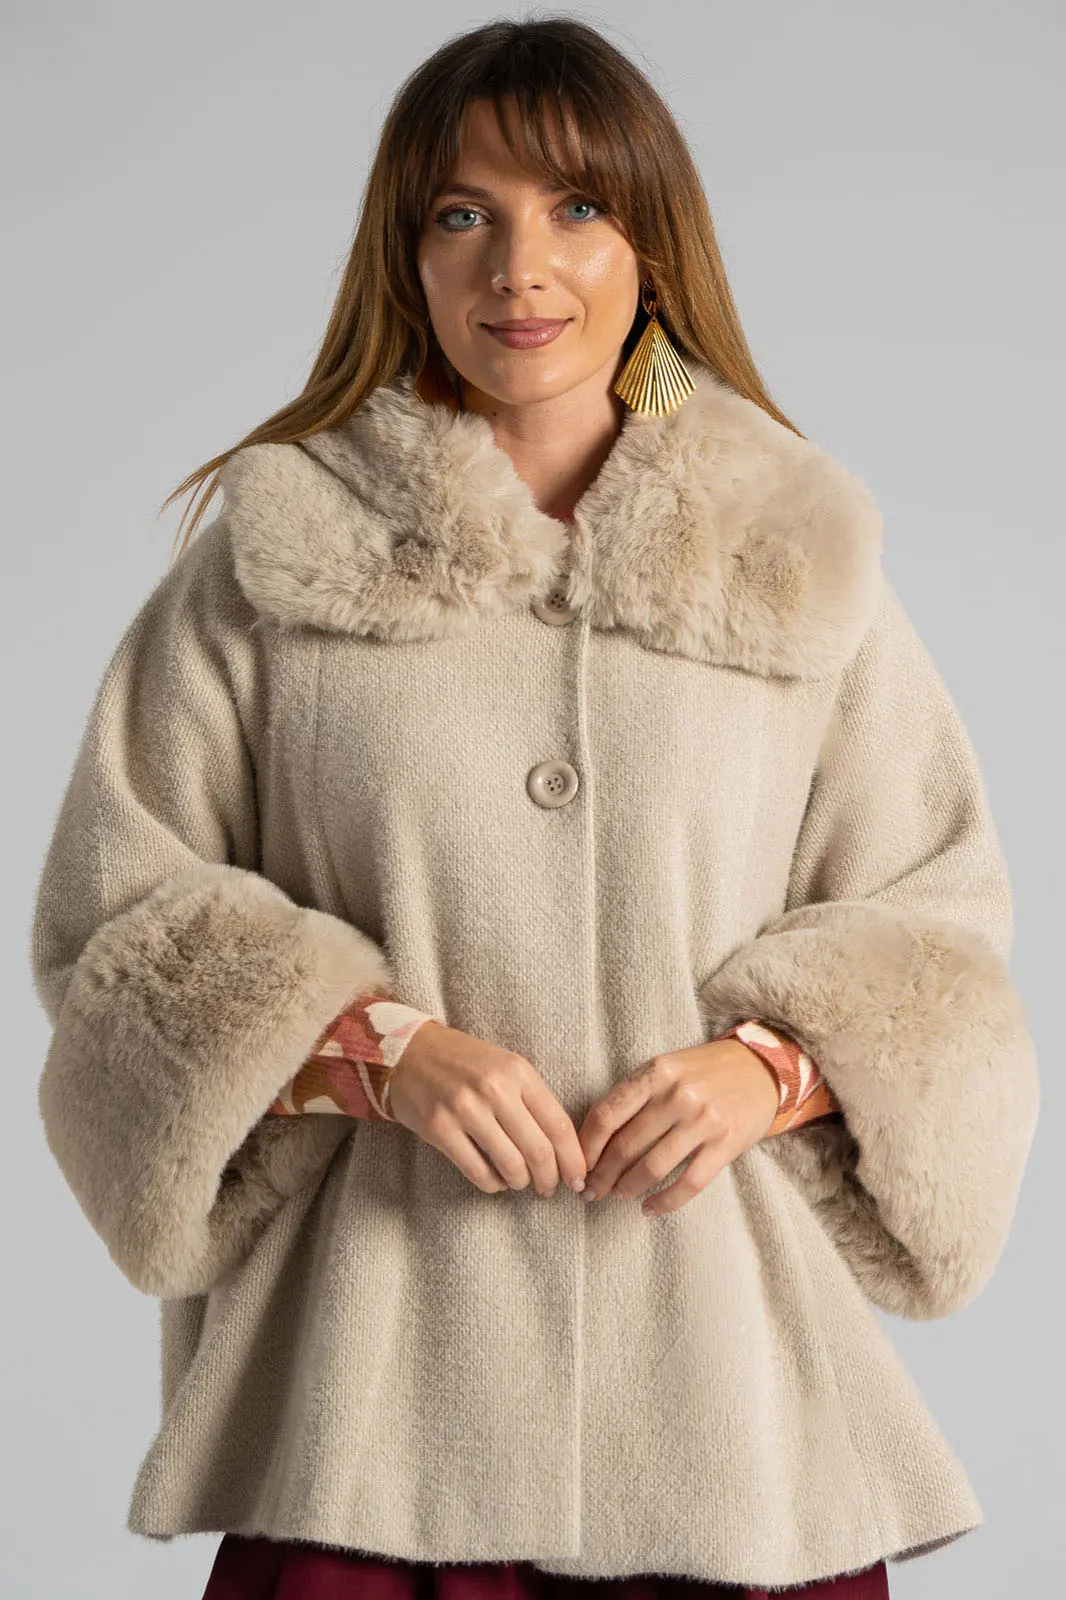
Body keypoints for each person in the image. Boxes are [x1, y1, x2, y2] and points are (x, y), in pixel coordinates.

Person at [29, 17, 1039, 1600]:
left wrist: (765, 1071)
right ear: (405, 251)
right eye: (463, 213)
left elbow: (941, 936)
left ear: (651, 243)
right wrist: (374, 1049)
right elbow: (113, 933)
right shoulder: (276, 557)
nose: (520, 266)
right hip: (368, 1417)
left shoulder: (791, 551)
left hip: (729, 1433)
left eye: (577, 207)